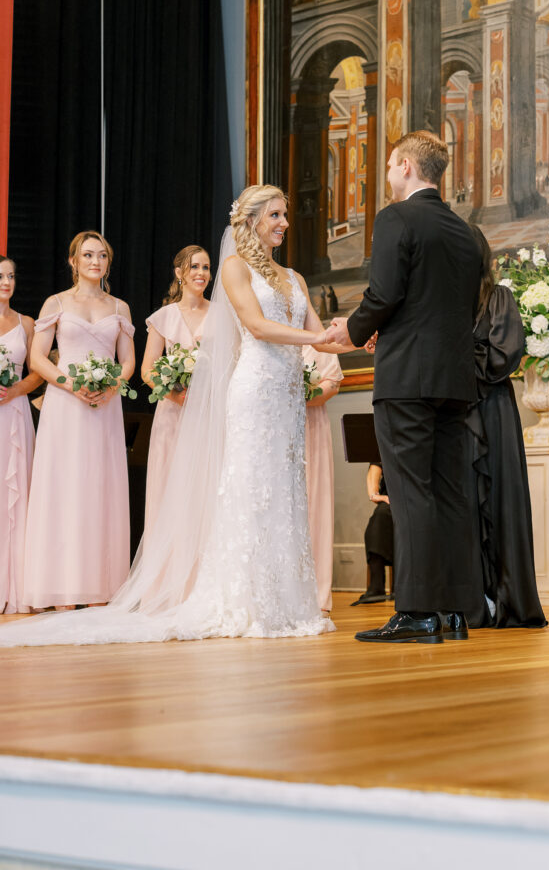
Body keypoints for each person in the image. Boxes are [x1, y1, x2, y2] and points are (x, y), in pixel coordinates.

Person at [0, 186, 349, 647]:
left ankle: (284, 602)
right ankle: (241, 600)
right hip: (254, 392)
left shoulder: (295, 278)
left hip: (286, 397)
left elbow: (317, 334)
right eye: (276, 215)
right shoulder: (235, 268)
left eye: (285, 215)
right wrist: (321, 341)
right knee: (250, 493)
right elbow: (259, 326)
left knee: (285, 495)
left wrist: (353, 336)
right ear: (251, 221)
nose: (285, 222)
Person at [326, 131, 483, 644]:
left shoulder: (396, 218)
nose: (388, 176)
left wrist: (351, 331)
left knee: (411, 492)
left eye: (391, 167)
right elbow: (443, 306)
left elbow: (386, 292)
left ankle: (416, 613)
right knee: (452, 493)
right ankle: (457, 612)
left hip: (407, 380)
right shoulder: (465, 232)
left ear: (406, 166)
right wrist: (389, 329)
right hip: (455, 380)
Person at [21, 231, 135, 611]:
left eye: (102, 255)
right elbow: (38, 358)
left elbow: (129, 361)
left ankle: (101, 585)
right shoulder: (55, 302)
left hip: (104, 408)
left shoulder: (119, 308)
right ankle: (61, 589)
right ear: (73, 261)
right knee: (64, 488)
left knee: (100, 489)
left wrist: (111, 387)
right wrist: (72, 385)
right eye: (87, 255)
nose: (95, 262)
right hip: (65, 405)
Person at [465, 227, 547, 629]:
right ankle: (472, 602)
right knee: (462, 508)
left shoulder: (499, 299)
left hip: (493, 412)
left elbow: (501, 357)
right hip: (456, 416)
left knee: (500, 501)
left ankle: (508, 600)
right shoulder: (440, 304)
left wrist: (451, 352)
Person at [141, 246, 211, 534]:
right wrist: (175, 394)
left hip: (209, 416)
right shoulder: (164, 317)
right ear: (179, 273)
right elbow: (147, 370)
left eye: (206, 267)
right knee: (171, 488)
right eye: (194, 267)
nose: (201, 273)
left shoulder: (223, 315)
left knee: (206, 489)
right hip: (173, 415)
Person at [0, 257, 42, 614]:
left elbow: (36, 373)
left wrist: (15, 391)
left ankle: (15, 587)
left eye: (11, 276)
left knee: (16, 495)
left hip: (13, 415)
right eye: (0, 276)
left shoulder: (27, 323)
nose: (6, 282)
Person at [302, 343, 343, 613]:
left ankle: (313, 594)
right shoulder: (254, 330)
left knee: (311, 502)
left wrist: (301, 393)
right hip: (264, 424)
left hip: (309, 425)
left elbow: (332, 384)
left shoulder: (317, 340)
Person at [351, 463, 394, 605]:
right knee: (379, 518)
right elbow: (376, 466)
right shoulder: (384, 446)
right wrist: (376, 495)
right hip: (391, 499)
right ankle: (376, 585)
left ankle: (402, 586)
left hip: (417, 497)